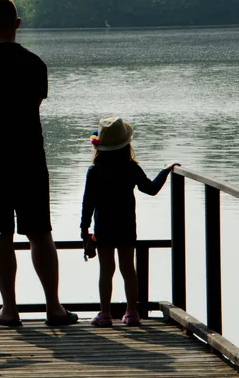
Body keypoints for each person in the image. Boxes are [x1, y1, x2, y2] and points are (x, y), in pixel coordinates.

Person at [0, 0, 77, 327]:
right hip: (30, 160)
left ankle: (10, 311)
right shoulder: (36, 64)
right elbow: (31, 106)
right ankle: (54, 308)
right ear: (18, 24)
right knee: (40, 234)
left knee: (1, 236)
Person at [80, 116, 178, 327]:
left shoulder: (95, 170)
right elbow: (150, 189)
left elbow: (88, 203)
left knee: (106, 270)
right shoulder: (130, 167)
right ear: (126, 144)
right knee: (128, 268)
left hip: (104, 227)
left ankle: (105, 314)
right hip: (126, 225)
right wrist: (165, 170)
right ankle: (132, 312)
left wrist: (84, 229)